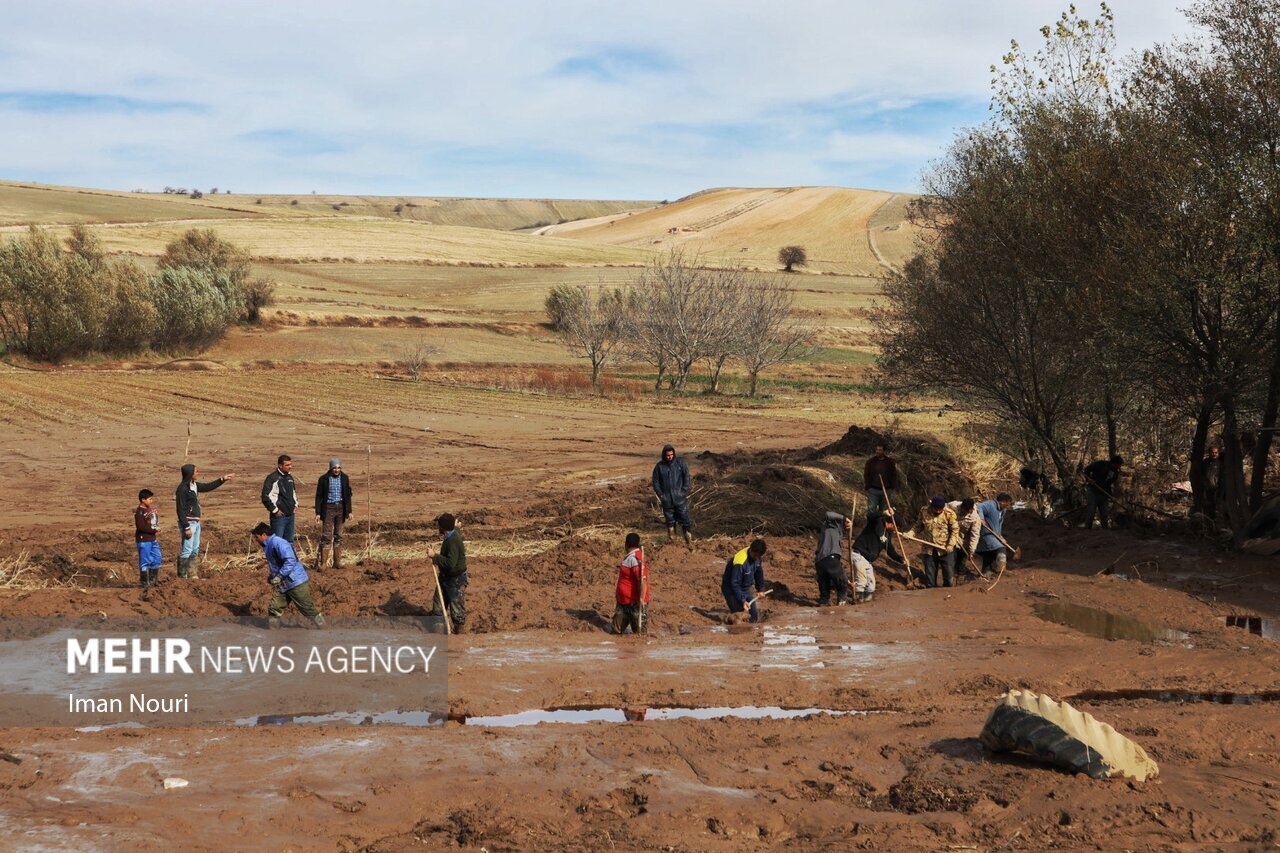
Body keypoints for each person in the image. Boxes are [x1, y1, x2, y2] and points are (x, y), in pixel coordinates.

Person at [252, 522, 324, 628]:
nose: (256, 540)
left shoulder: (278, 543)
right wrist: (273, 576)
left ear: (264, 535)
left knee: (308, 609)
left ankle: (323, 626)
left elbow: (290, 560)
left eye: (257, 537)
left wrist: (279, 576)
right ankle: (273, 632)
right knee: (274, 608)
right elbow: (277, 563)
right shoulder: (268, 545)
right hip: (284, 583)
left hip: (295, 582)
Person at [175, 463, 235, 579]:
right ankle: (182, 577)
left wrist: (222, 479)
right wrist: (186, 527)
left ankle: (192, 574)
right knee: (187, 549)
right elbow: (180, 509)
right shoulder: (182, 489)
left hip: (196, 522)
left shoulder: (194, 485)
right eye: (196, 471)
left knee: (195, 549)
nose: (198, 473)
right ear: (190, 474)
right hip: (189, 523)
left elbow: (207, 487)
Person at [906, 496, 960, 588]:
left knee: (948, 578)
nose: (938, 511)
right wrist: (911, 533)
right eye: (936, 509)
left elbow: (955, 531)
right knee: (930, 580)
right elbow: (918, 525)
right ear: (932, 506)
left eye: (940, 509)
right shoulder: (924, 511)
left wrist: (950, 545)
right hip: (929, 549)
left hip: (945, 548)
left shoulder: (949, 514)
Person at [850, 510, 898, 603]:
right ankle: (857, 600)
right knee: (862, 581)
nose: (896, 530)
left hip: (868, 560)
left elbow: (890, 550)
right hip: (859, 554)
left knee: (871, 585)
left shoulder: (888, 535)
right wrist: (883, 512)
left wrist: (902, 559)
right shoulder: (877, 522)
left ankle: (867, 601)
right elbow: (870, 516)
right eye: (897, 527)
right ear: (891, 524)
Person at [313, 458, 353, 570]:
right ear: (330, 468)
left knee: (339, 535)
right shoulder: (323, 479)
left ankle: (337, 562)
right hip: (328, 508)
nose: (336, 470)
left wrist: (349, 511)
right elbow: (319, 496)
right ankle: (324, 563)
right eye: (334, 468)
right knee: (326, 535)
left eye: (338, 467)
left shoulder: (345, 478)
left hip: (341, 508)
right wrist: (318, 512)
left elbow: (348, 496)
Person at [432, 513, 468, 633]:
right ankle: (439, 632)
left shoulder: (453, 541)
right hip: (445, 576)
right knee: (438, 604)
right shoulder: (453, 533)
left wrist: (435, 557)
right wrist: (457, 526)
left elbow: (450, 563)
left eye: (439, 525)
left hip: (455, 579)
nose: (438, 527)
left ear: (443, 527)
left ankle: (459, 634)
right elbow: (456, 530)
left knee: (456, 608)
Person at [652, 444, 693, 545]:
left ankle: (689, 543)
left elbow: (687, 478)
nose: (670, 457)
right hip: (667, 500)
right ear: (664, 455)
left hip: (680, 499)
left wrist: (683, 491)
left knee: (685, 521)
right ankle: (673, 543)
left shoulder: (680, 464)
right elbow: (655, 482)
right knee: (670, 522)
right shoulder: (659, 467)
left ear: (674, 454)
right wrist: (661, 495)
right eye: (667, 455)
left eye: (671, 455)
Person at [722, 539, 768, 623]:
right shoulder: (740, 561)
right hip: (731, 588)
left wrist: (760, 589)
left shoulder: (757, 556)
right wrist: (743, 600)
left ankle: (751, 631)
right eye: (755, 555)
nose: (756, 558)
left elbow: (759, 572)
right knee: (738, 613)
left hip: (746, 587)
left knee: (753, 614)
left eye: (758, 556)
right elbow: (734, 583)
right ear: (751, 550)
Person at [613, 532, 650, 634]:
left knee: (640, 634)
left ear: (626, 544)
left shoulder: (635, 558)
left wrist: (641, 598)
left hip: (634, 603)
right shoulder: (630, 557)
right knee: (616, 631)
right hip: (624, 602)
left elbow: (642, 581)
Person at [814, 511, 852, 606]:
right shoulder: (831, 525)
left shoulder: (837, 533)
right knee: (842, 586)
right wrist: (845, 518)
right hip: (828, 557)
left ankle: (823, 606)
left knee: (824, 591)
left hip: (820, 561)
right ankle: (841, 603)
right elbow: (828, 514)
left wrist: (847, 581)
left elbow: (838, 570)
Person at [975, 493, 1014, 577]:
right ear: (1003, 502)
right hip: (986, 534)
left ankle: (986, 572)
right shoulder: (990, 505)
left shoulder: (1002, 511)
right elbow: (979, 507)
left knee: (988, 553)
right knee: (1000, 548)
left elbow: (998, 527)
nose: (1007, 506)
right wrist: (981, 518)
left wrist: (1001, 538)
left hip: (994, 535)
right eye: (1007, 504)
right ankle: (1001, 568)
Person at [261, 455, 298, 544]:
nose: (290, 467)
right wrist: (275, 510)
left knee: (289, 542)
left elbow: (293, 492)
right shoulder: (272, 478)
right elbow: (265, 496)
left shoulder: (289, 477)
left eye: (291, 464)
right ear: (280, 466)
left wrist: (295, 504)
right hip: (279, 517)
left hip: (290, 515)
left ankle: (288, 558)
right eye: (287, 465)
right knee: (277, 543)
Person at [1082, 455, 1124, 529]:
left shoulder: (1115, 473)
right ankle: (1087, 531)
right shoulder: (1101, 464)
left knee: (1104, 514)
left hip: (1103, 494)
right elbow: (1087, 469)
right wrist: (1089, 479)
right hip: (1093, 491)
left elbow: (1108, 484)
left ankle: (1105, 532)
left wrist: (1111, 496)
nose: (1119, 466)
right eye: (1119, 464)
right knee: (1091, 512)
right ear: (1115, 463)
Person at [134, 489, 162, 595]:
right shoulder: (139, 512)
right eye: (150, 499)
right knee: (145, 561)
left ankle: (153, 581)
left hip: (152, 539)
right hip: (144, 540)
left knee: (157, 558)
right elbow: (140, 527)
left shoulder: (149, 509)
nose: (151, 501)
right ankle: (144, 583)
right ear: (143, 500)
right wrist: (154, 530)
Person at [948, 498, 982, 578]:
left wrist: (971, 551)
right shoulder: (953, 505)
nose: (965, 512)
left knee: (962, 559)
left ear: (971, 509)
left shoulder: (975, 518)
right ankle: (950, 576)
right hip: (951, 536)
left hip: (964, 539)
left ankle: (961, 576)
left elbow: (975, 535)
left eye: (967, 511)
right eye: (964, 510)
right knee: (950, 558)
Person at [864, 444, 898, 519]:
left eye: (880, 450)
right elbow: (866, 475)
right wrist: (868, 486)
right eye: (877, 450)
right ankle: (870, 526)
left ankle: (881, 527)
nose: (878, 452)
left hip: (886, 490)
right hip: (873, 490)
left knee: (884, 511)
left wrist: (892, 487)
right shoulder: (870, 462)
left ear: (884, 451)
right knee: (871, 510)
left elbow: (894, 475)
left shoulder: (890, 462)